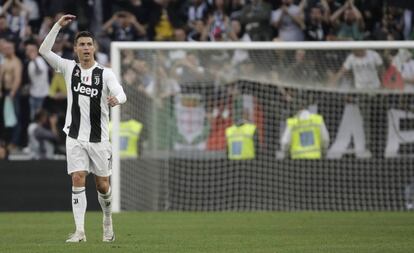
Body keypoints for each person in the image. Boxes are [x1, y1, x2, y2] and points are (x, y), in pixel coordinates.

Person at [39, 14, 127, 243]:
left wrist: (117, 99)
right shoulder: (69, 69)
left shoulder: (105, 73)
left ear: (94, 48)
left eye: (89, 44)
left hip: (99, 138)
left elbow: (120, 92)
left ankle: (107, 221)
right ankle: (80, 232)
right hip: (75, 135)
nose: (86, 48)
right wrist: (57, 25)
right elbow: (44, 51)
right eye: (82, 44)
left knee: (102, 184)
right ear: (76, 48)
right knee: (78, 177)